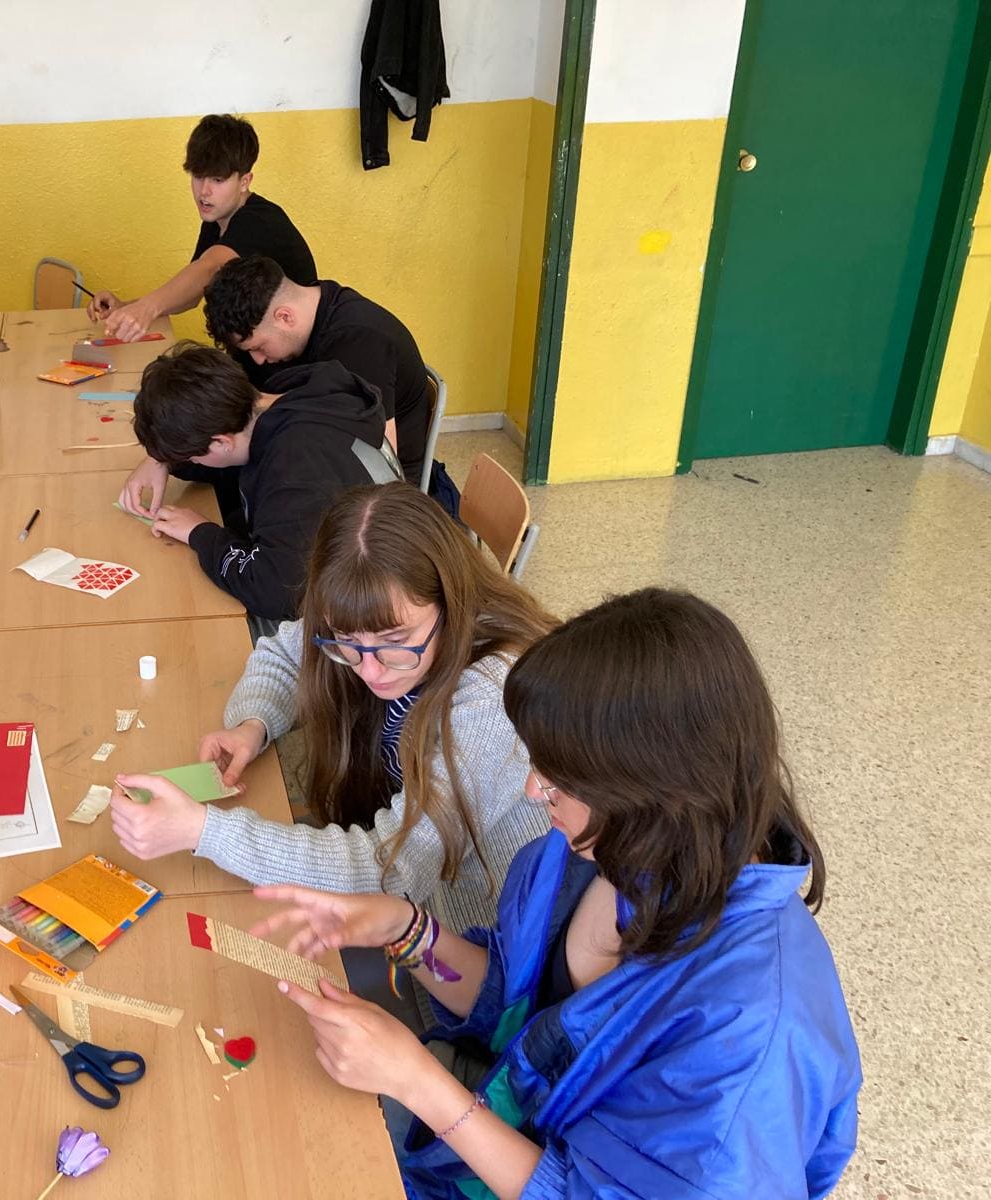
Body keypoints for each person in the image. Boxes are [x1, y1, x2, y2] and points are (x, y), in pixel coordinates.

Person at [251, 589, 862, 1199]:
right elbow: (521, 1003)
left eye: (559, 776)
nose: (532, 789)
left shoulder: (747, 1038)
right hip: (497, 1128)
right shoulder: (601, 850)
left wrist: (419, 1085)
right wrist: (405, 930)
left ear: (654, 787)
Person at [112, 484, 553, 927]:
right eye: (346, 641)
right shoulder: (369, 615)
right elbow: (285, 655)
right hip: (400, 884)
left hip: (469, 930)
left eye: (395, 642)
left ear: (450, 600)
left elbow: (394, 871)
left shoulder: (494, 696)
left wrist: (203, 831)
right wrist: (253, 724)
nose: (370, 670)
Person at [121, 342, 399, 621]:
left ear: (221, 442)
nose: (193, 462)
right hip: (344, 563)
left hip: (363, 607)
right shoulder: (278, 401)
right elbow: (229, 461)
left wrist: (200, 533)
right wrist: (162, 459)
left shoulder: (295, 468)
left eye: (193, 457)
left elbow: (276, 591)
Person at [87, 114, 316, 343]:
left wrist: (146, 309)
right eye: (198, 176)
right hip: (251, 351)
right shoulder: (216, 219)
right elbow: (192, 294)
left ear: (245, 181)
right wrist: (127, 308)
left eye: (218, 180)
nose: (204, 191)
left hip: (292, 358)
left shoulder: (259, 220)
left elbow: (210, 267)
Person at [205, 255, 431, 481]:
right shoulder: (313, 306)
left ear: (284, 317)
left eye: (259, 347)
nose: (258, 359)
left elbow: (380, 460)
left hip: (378, 479)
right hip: (321, 445)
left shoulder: (359, 341)